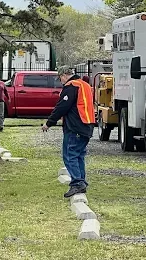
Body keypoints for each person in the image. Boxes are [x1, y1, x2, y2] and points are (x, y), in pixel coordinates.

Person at [42, 66, 95, 198]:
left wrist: (49, 123)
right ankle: (81, 181)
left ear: (65, 75)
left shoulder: (71, 86)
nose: (61, 82)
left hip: (75, 126)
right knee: (79, 155)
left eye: (60, 78)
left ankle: (77, 183)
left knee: (70, 155)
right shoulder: (85, 85)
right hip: (87, 125)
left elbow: (62, 107)